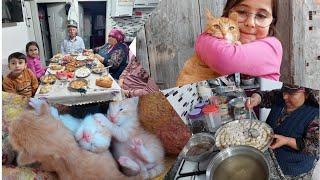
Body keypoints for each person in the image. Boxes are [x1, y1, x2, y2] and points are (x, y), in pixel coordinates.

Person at [195, 0, 282, 81]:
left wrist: (203, 38)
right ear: (227, 13)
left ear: (272, 21)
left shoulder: (272, 47)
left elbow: (226, 59)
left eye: (261, 16)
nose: (250, 23)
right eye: (242, 12)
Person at [246, 84, 319, 179]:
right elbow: (264, 96)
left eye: (291, 93)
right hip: (269, 154)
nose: (284, 96)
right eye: (284, 90)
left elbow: (315, 147)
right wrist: (256, 98)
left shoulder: (315, 114)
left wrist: (287, 141)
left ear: (306, 94)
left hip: (293, 166)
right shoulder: (281, 96)